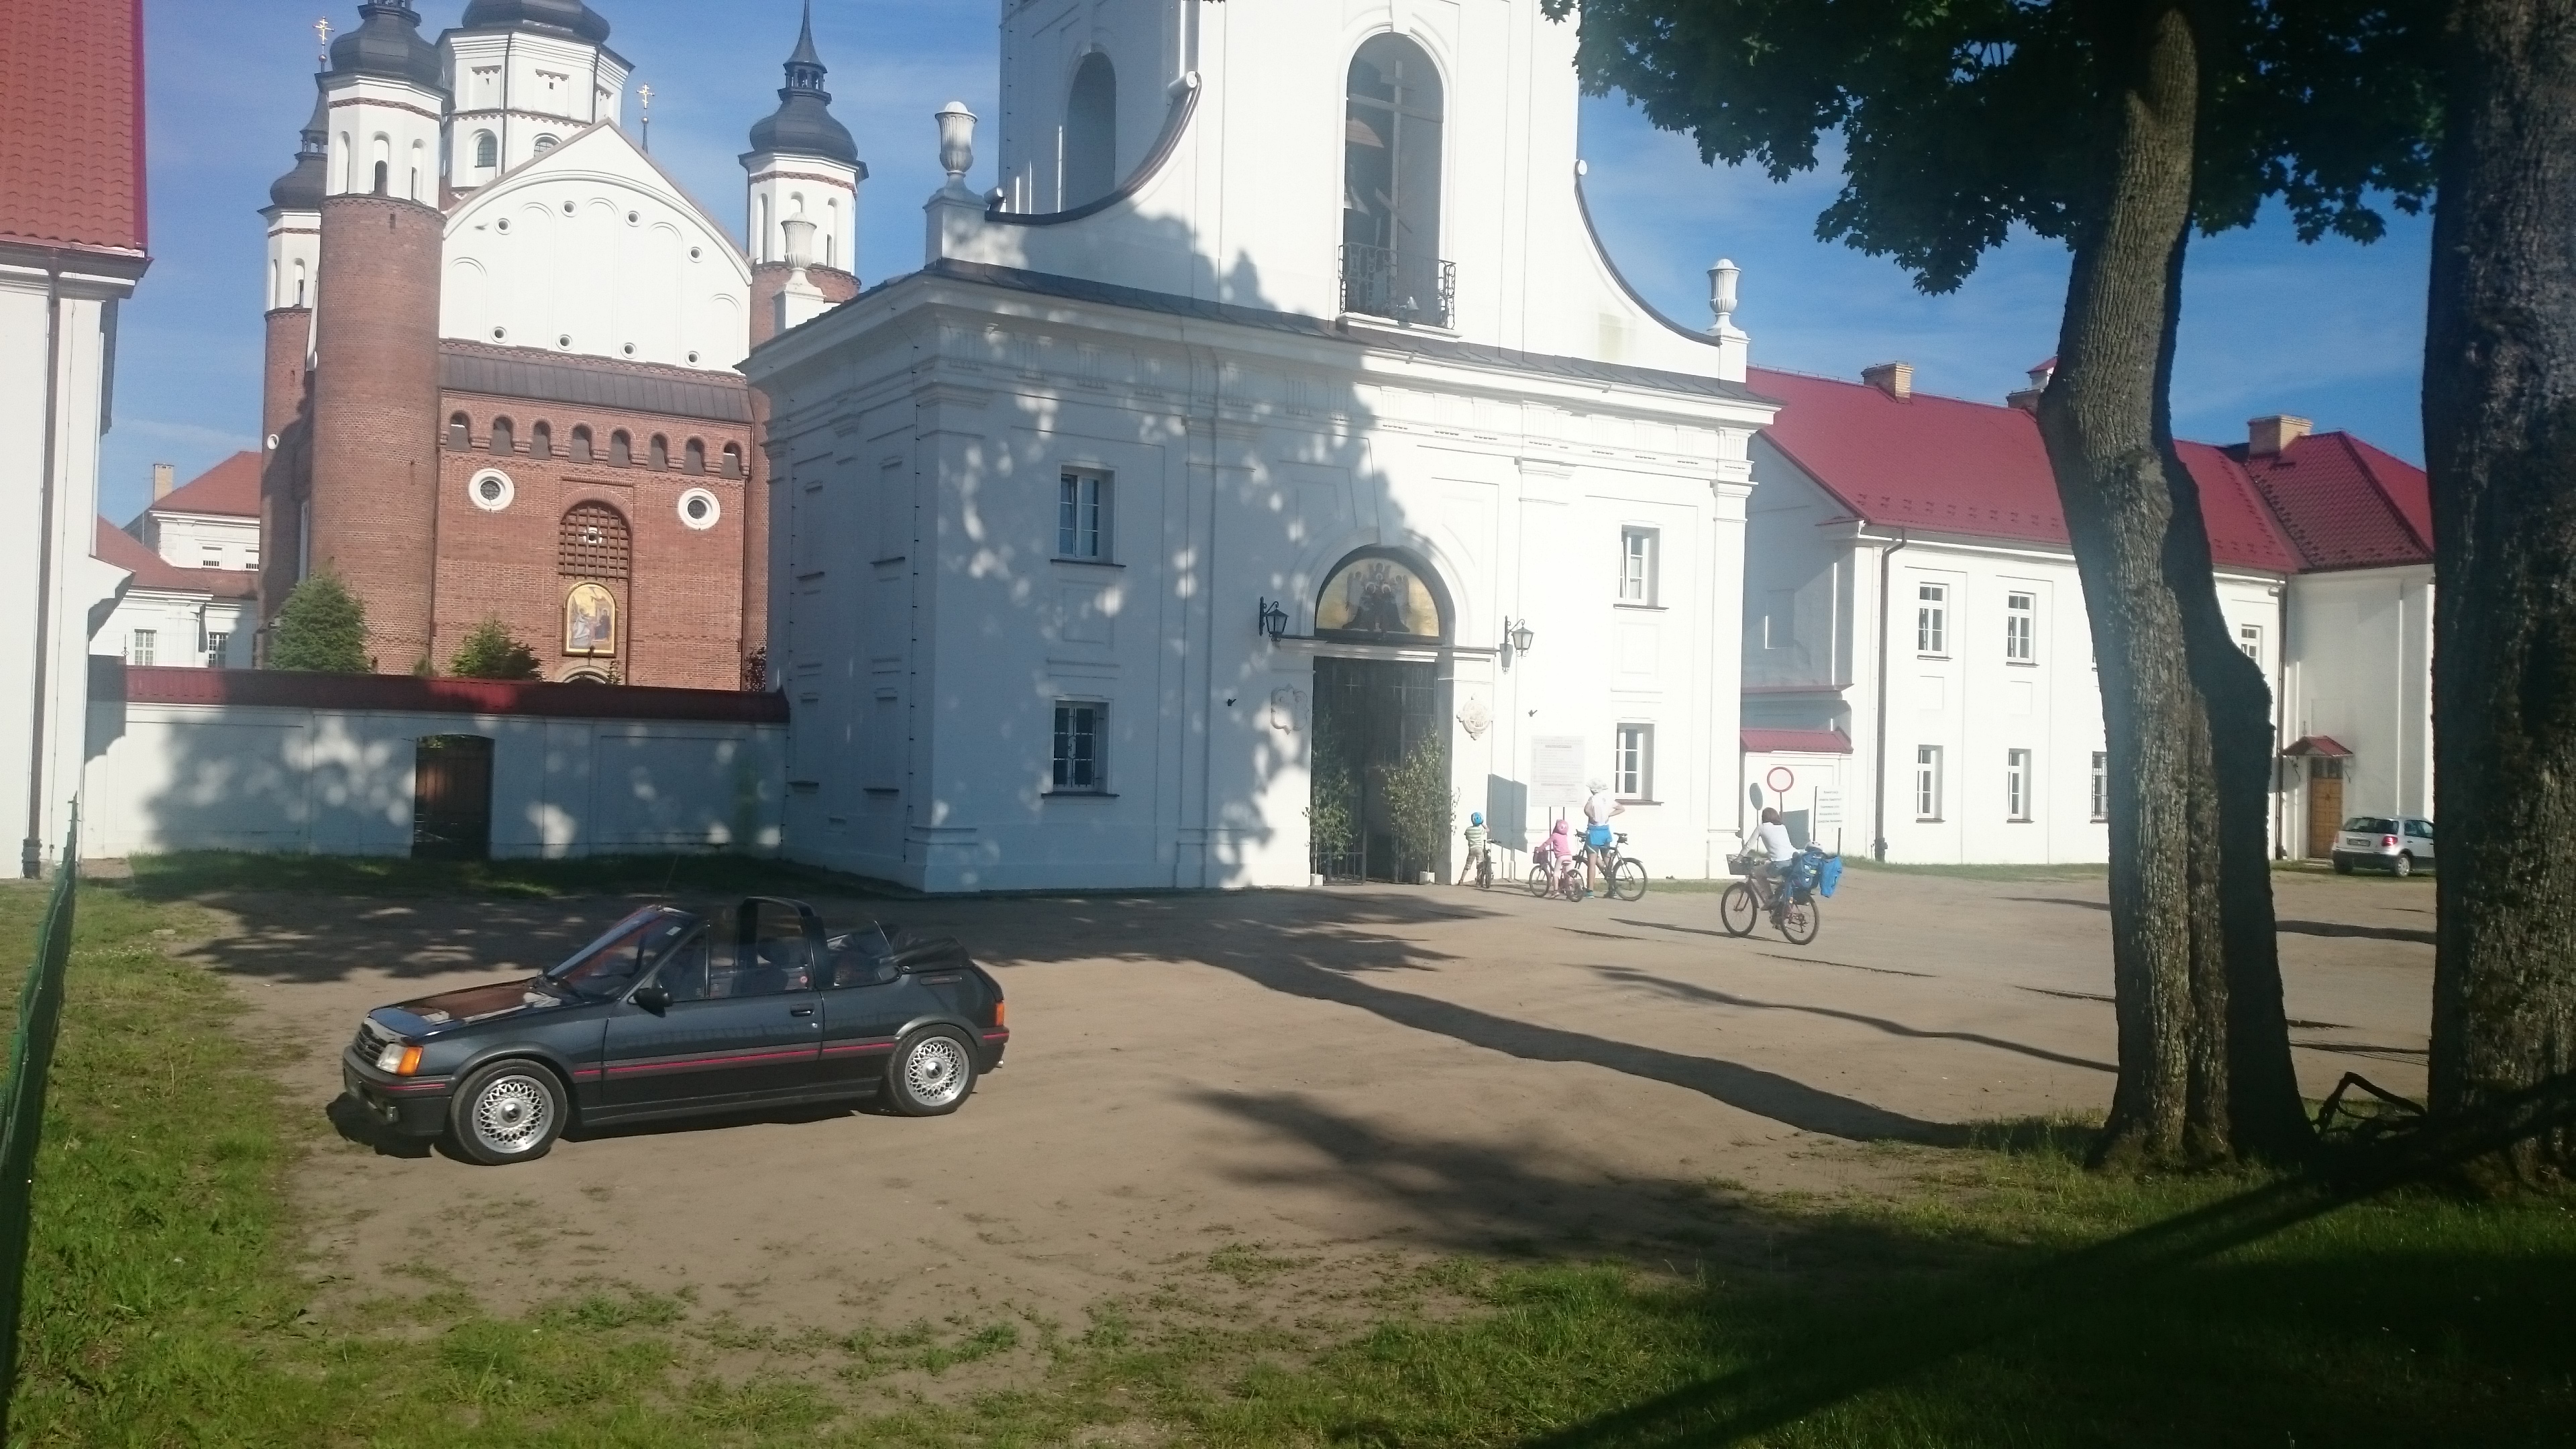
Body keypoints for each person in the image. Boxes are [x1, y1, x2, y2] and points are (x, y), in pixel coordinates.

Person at [1753, 807, 1799, 918]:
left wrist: (1739, 858)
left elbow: (1748, 845)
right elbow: (1779, 847)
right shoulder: (1782, 827)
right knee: (1784, 885)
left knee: (1758, 872)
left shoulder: (1762, 827)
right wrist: (1769, 858)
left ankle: (1770, 898)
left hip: (1779, 864)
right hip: (1793, 860)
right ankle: (1782, 914)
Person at [1581, 780, 1625, 895]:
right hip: (1605, 831)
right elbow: (1621, 808)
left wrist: (1592, 817)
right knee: (1607, 858)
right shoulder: (1608, 799)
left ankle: (1590, 890)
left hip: (1594, 832)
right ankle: (1612, 888)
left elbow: (1586, 809)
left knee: (1592, 862)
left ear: (1593, 790)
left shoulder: (1593, 799)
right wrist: (1609, 815)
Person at [1461, 811, 1491, 886]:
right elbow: (1487, 829)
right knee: (1479, 866)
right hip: (1479, 849)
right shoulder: (1480, 830)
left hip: (1472, 849)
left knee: (1468, 865)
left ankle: (1461, 880)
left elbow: (1466, 837)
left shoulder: (1468, 829)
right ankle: (1478, 881)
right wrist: (1482, 823)